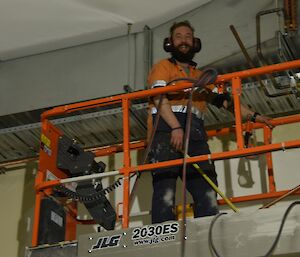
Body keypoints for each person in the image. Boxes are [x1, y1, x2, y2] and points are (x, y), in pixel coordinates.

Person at [147, 20, 272, 224]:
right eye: (178, 36)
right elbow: (158, 98)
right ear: (169, 43)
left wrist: (254, 116)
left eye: (188, 36)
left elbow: (224, 101)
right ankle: (162, 232)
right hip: (166, 131)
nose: (183, 40)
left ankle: (208, 227)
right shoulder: (162, 67)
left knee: (205, 184)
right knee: (165, 185)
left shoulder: (201, 76)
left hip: (195, 133)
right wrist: (175, 127)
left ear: (195, 43)